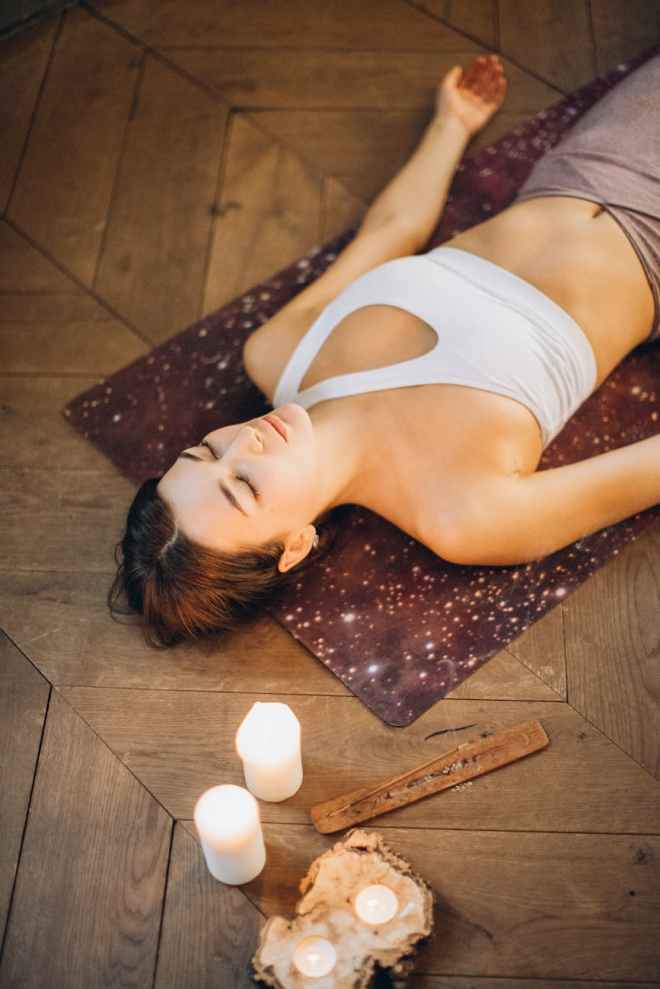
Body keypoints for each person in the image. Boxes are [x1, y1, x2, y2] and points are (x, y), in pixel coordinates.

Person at [109, 53, 660, 648]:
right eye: (244, 485)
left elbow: (390, 233)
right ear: (295, 545)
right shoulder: (464, 516)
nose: (245, 439)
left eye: (207, 449)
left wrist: (452, 124)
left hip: (583, 166)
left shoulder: (276, 352)